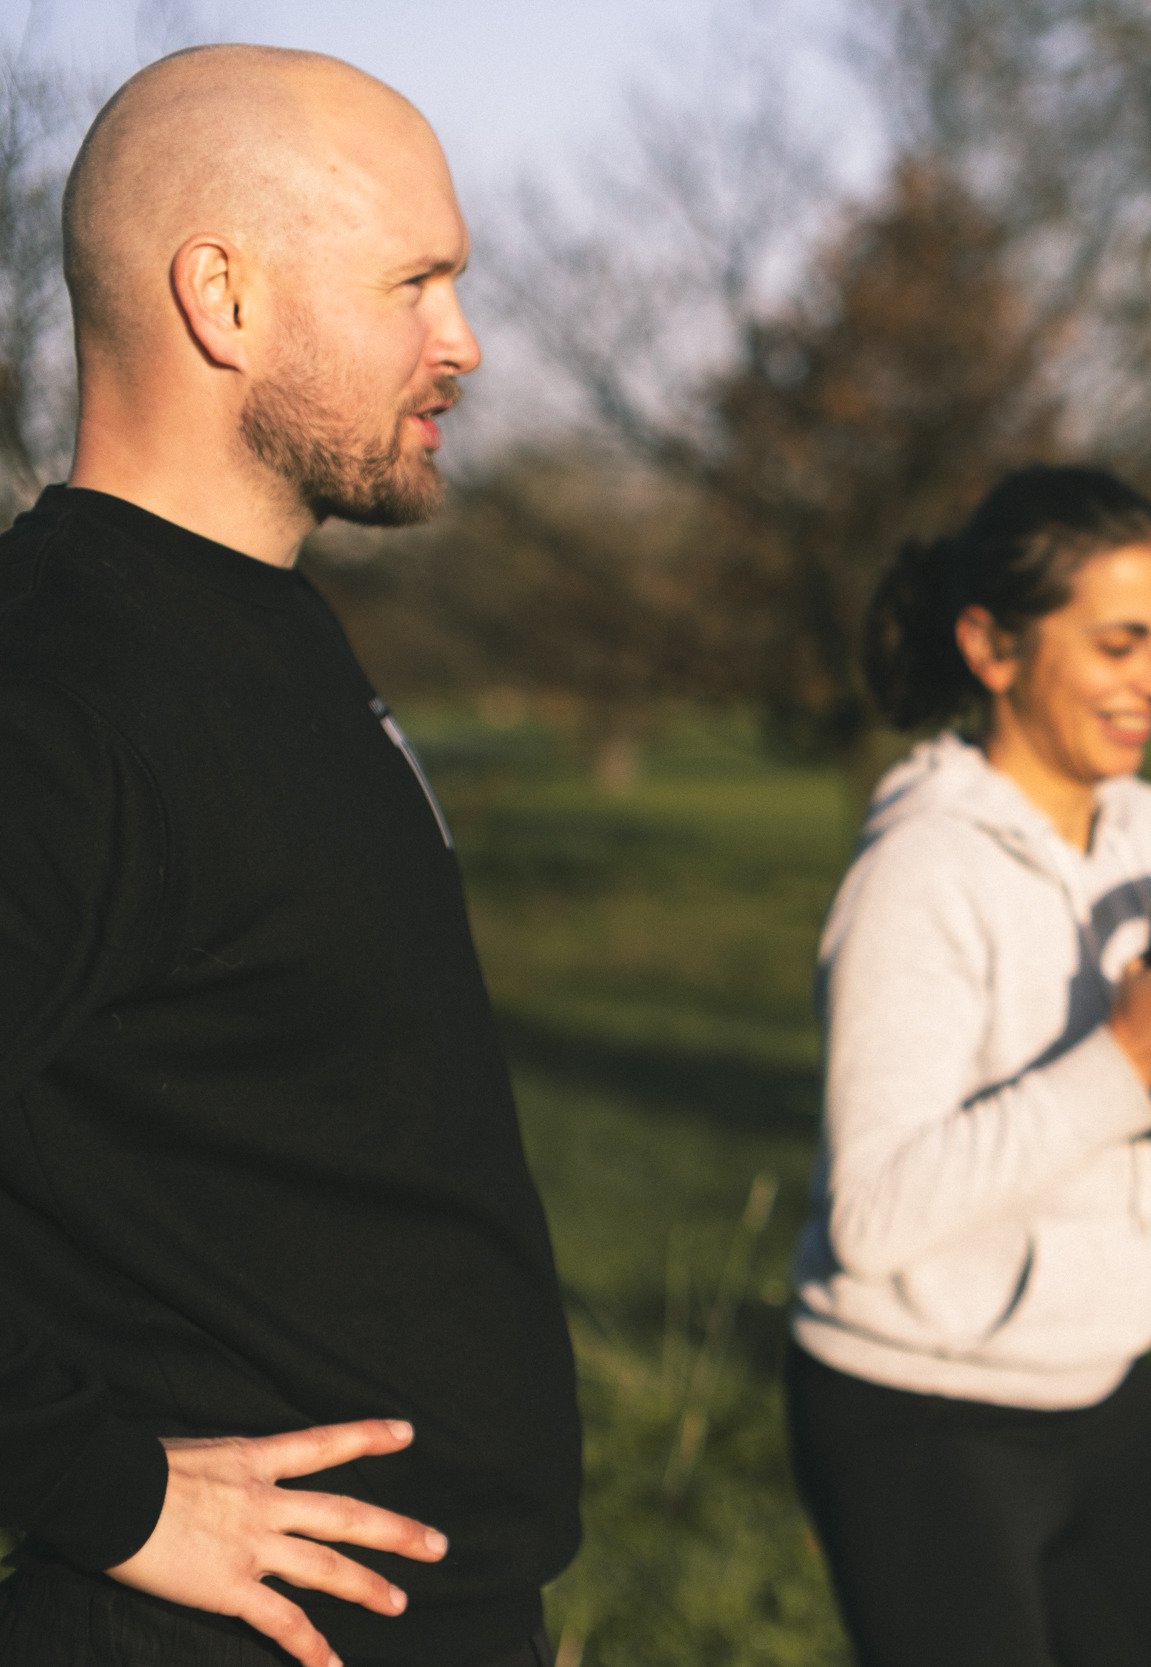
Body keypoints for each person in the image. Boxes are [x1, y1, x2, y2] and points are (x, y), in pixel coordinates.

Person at [0, 46, 578, 1667]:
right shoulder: (53, 684)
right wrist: (105, 1492)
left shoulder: (264, 629)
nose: (461, 342)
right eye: (416, 281)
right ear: (222, 298)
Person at [783, 465, 1151, 1667]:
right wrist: (1120, 1061)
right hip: (915, 1408)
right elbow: (871, 1213)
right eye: (1121, 643)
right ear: (991, 646)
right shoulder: (920, 871)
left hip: (1100, 1380)